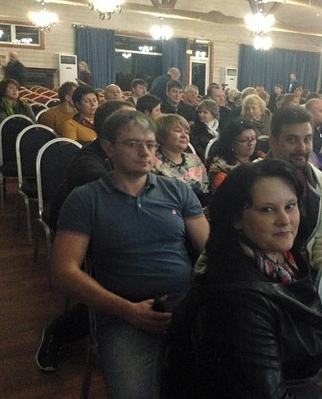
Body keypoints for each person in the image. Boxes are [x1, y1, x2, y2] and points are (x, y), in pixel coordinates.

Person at [166, 159, 322, 399]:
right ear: (236, 218)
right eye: (267, 209)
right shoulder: (237, 298)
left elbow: (320, 338)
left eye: (290, 206)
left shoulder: (286, 261)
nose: (284, 220)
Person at [51, 109, 209, 398]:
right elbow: (64, 271)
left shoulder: (177, 191)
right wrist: (127, 310)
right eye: (133, 144)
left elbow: (209, 251)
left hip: (185, 306)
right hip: (123, 313)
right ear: (109, 148)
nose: (145, 152)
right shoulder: (86, 199)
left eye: (150, 144)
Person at [37, 100, 136, 372]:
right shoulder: (88, 162)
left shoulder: (133, 152)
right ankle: (58, 332)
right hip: (83, 236)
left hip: (120, 229)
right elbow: (119, 199)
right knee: (126, 277)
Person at [268, 106, 322, 271]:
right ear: (273, 142)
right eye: (292, 140)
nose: (302, 148)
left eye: (307, 139)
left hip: (308, 269)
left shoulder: (317, 179)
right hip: (266, 271)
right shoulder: (252, 181)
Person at [155, 114, 210, 206]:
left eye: (187, 132)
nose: (184, 135)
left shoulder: (194, 159)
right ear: (162, 136)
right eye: (178, 131)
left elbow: (205, 192)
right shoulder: (152, 162)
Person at [207, 117, 263, 192]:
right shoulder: (221, 169)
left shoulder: (260, 158)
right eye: (244, 140)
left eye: (253, 139)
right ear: (231, 143)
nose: (251, 144)